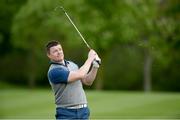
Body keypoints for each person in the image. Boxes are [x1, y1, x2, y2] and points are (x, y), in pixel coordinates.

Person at [46, 40, 100, 119]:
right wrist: (90, 59)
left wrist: (95, 66)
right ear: (49, 55)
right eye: (55, 51)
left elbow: (87, 81)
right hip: (66, 113)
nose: (59, 52)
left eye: (60, 49)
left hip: (83, 111)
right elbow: (80, 74)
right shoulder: (54, 71)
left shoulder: (72, 65)